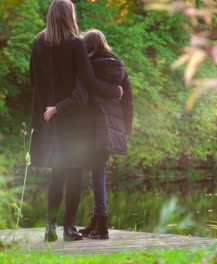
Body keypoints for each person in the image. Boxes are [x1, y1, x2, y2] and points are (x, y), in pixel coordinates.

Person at [29, 0, 122, 242]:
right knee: (75, 173)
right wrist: (115, 91)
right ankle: (69, 228)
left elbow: (32, 78)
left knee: (57, 172)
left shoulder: (38, 42)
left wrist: (48, 105)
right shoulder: (75, 44)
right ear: (69, 15)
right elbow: (89, 81)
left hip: (47, 118)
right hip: (73, 117)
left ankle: (50, 226)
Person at [76, 29, 134, 239]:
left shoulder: (88, 67)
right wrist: (126, 129)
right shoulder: (118, 66)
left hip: (93, 126)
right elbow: (128, 99)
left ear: (87, 47)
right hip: (113, 128)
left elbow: (82, 95)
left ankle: (101, 224)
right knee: (98, 172)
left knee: (96, 173)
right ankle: (97, 220)